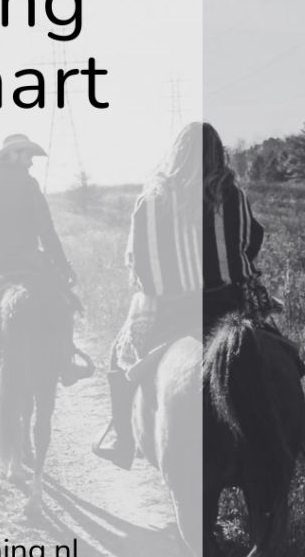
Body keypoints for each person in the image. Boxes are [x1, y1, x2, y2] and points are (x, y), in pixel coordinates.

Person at [93, 121, 279, 470]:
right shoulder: (234, 194)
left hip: (171, 309)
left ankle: (123, 440)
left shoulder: (153, 199)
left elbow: (137, 260)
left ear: (176, 153)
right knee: (279, 353)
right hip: (229, 302)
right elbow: (251, 241)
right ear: (218, 154)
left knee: (120, 358)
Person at [0, 133, 92, 396]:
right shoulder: (28, 183)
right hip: (29, 257)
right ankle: (67, 362)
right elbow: (46, 230)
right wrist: (63, 266)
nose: (31, 161)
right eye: (27, 155)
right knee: (63, 300)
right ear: (12, 155)